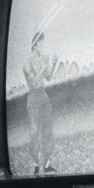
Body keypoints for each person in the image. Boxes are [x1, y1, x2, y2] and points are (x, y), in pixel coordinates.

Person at [23, 30, 58, 175]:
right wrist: (44, 66)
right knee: (34, 132)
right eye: (41, 43)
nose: (44, 45)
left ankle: (48, 164)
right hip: (33, 100)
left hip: (44, 97)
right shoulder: (27, 63)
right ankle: (37, 165)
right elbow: (32, 82)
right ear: (35, 45)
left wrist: (54, 63)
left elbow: (48, 77)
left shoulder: (44, 58)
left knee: (48, 130)